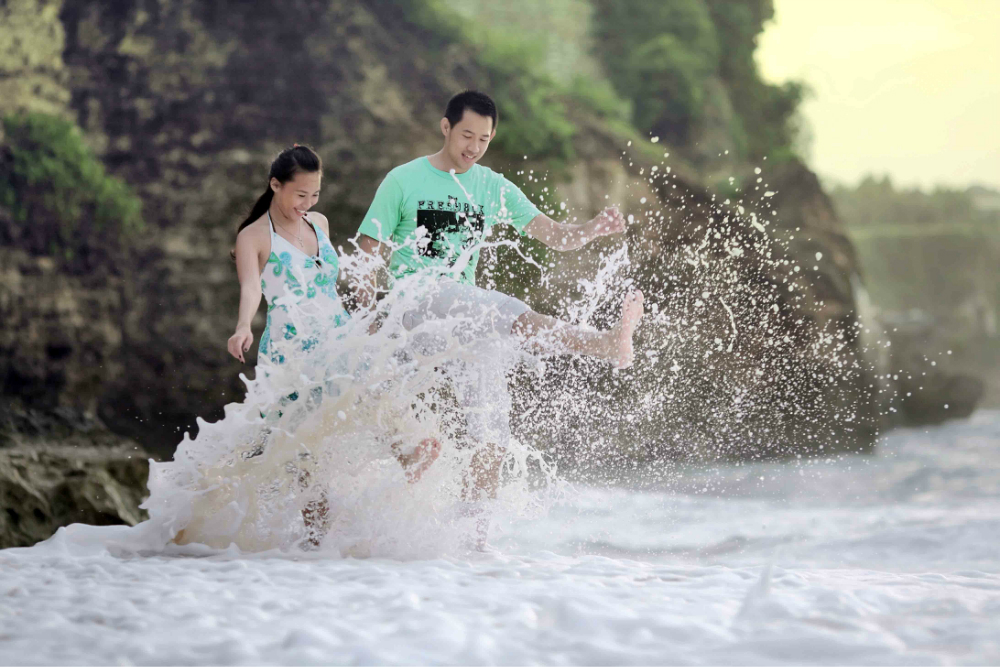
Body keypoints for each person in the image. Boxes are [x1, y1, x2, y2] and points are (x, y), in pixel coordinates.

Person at [353, 91, 644, 513]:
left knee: (491, 432)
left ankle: (473, 541)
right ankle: (601, 343)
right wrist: (366, 316)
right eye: (466, 135)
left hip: (462, 314)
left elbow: (555, 236)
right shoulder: (404, 179)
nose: (473, 147)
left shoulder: (490, 186)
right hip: (415, 303)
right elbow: (367, 251)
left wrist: (593, 229)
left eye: (484, 140)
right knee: (498, 307)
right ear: (446, 127)